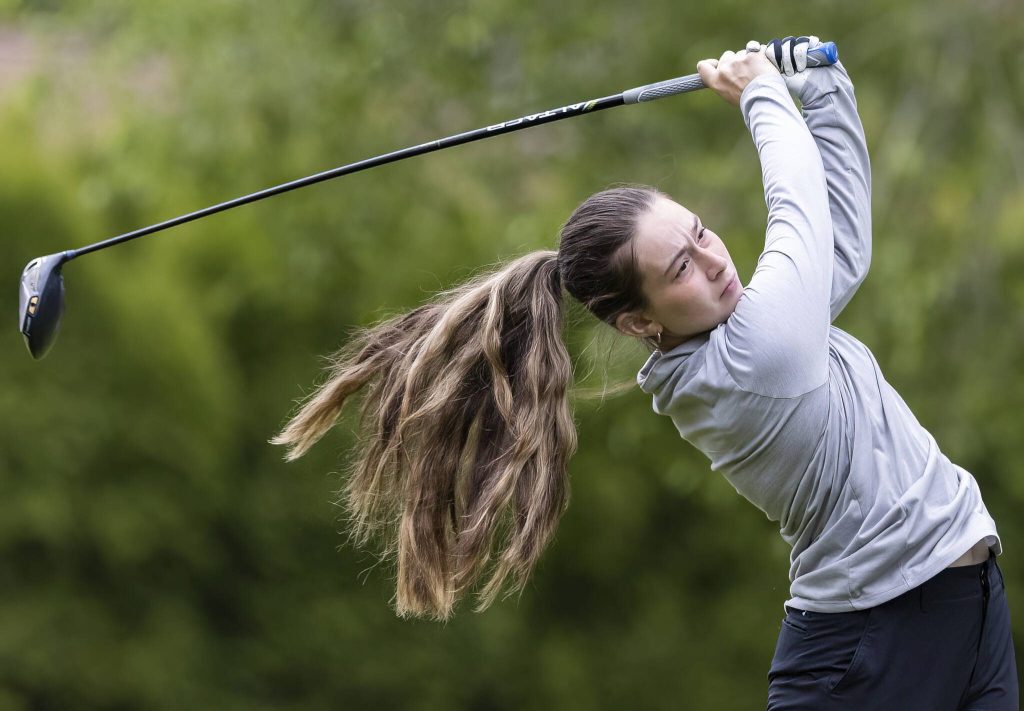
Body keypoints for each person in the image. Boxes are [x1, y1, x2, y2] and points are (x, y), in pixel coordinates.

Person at [271, 37, 1018, 709]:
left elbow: (839, 242)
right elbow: (798, 213)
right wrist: (761, 92)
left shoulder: (763, 326)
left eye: (700, 233)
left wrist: (822, 88)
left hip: (963, 600)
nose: (713, 260)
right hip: (869, 647)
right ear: (638, 322)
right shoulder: (750, 362)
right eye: (680, 268)